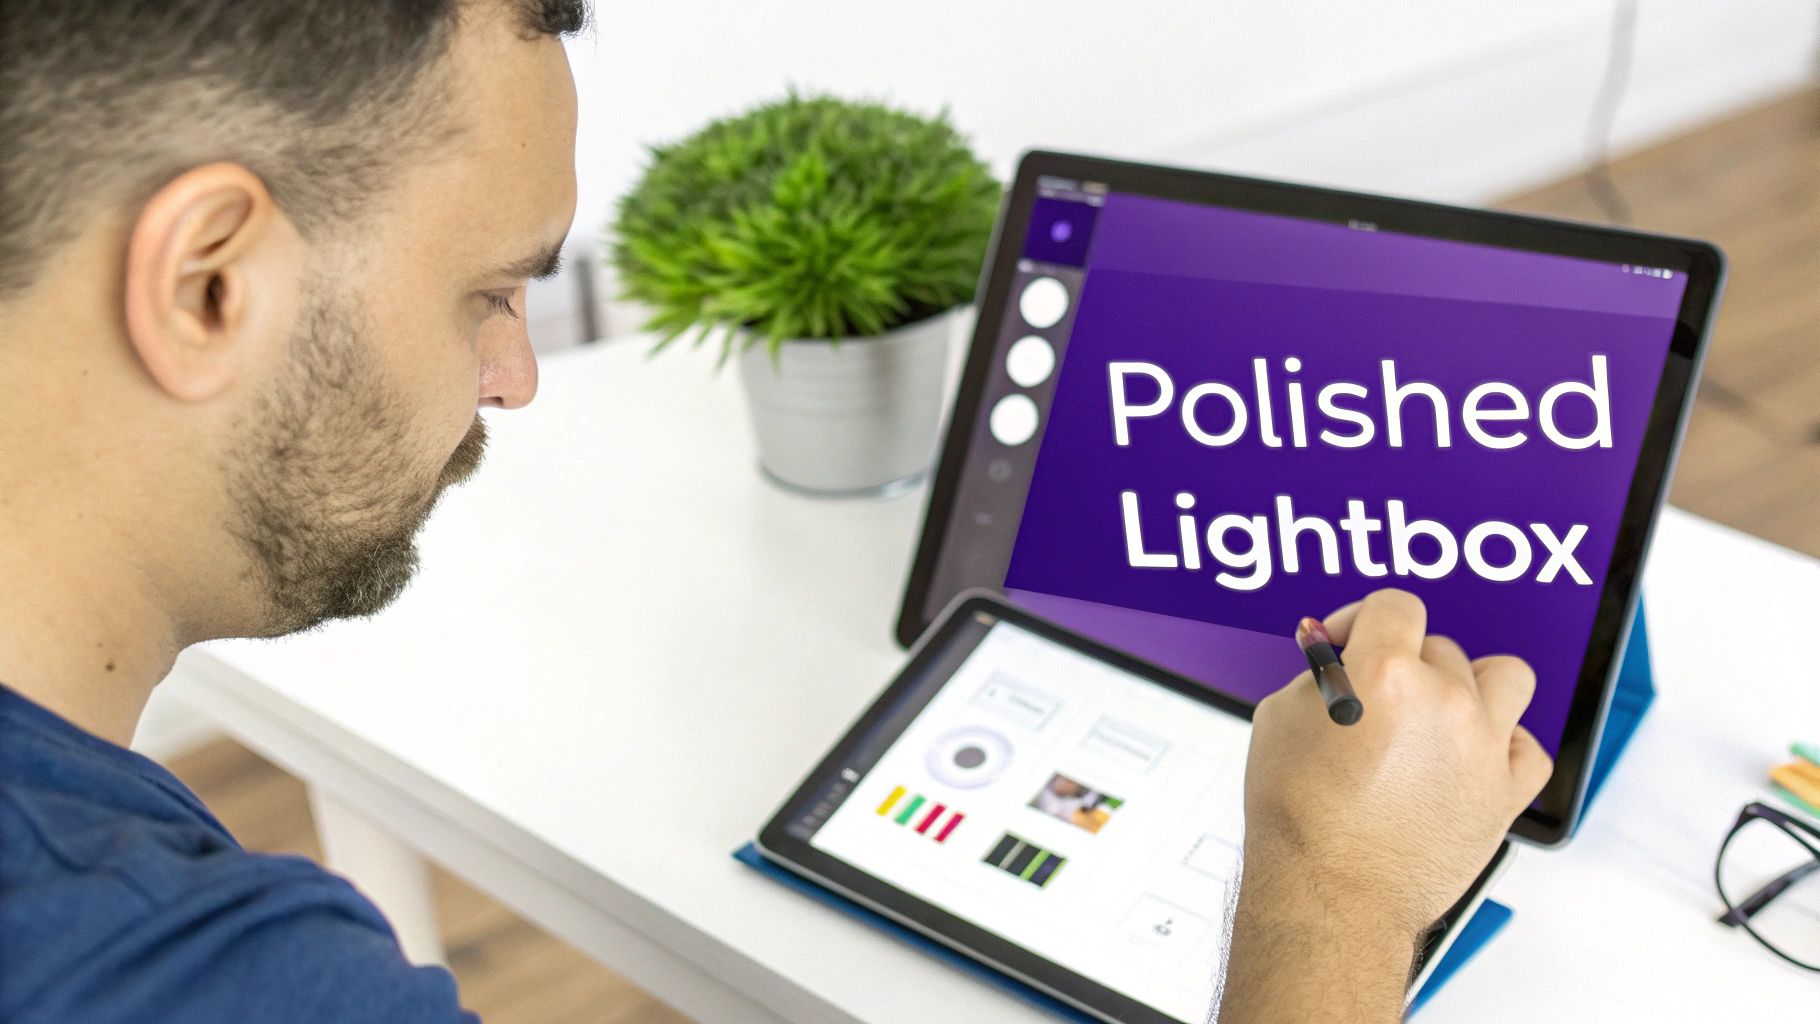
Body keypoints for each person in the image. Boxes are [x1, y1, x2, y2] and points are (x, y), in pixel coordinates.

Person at [0, 2, 1551, 1021]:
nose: (514, 375)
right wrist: (1334, 885)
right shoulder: (181, 974)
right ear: (208, 281)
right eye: (488, 290)